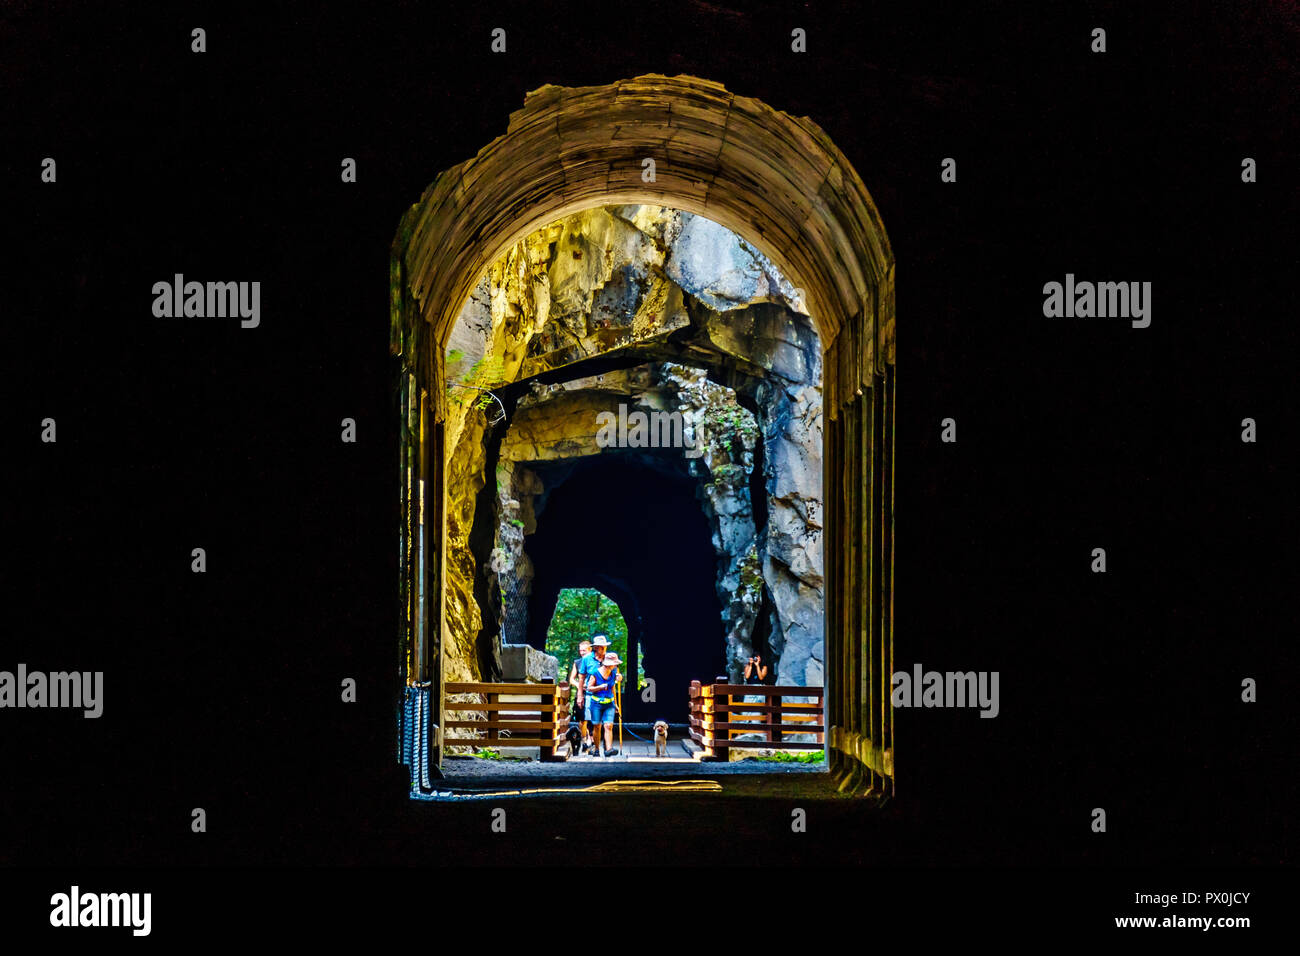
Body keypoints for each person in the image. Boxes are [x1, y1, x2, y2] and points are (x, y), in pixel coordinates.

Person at [586, 651, 622, 757]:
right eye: (614, 663)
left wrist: (615, 703)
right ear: (608, 664)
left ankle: (608, 749)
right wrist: (600, 687)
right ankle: (596, 749)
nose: (616, 665)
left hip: (609, 703)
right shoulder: (595, 673)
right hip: (596, 703)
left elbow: (613, 688)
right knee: (597, 726)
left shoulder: (613, 673)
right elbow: (589, 688)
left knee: (608, 725)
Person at [581, 635, 612, 754]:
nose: (604, 649)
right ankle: (597, 747)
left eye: (605, 647)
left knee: (608, 724)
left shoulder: (609, 659)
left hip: (607, 696)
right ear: (596, 648)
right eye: (602, 647)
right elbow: (582, 677)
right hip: (591, 695)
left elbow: (614, 674)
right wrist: (580, 695)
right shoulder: (587, 659)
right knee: (595, 724)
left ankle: (608, 748)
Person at [568, 640, 594, 751]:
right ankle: (583, 739)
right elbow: (571, 679)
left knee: (592, 717)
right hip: (581, 693)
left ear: (590, 650)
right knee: (582, 718)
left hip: (593, 692)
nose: (581, 652)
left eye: (584, 650)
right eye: (580, 650)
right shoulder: (577, 662)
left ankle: (591, 739)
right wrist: (580, 685)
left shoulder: (594, 662)